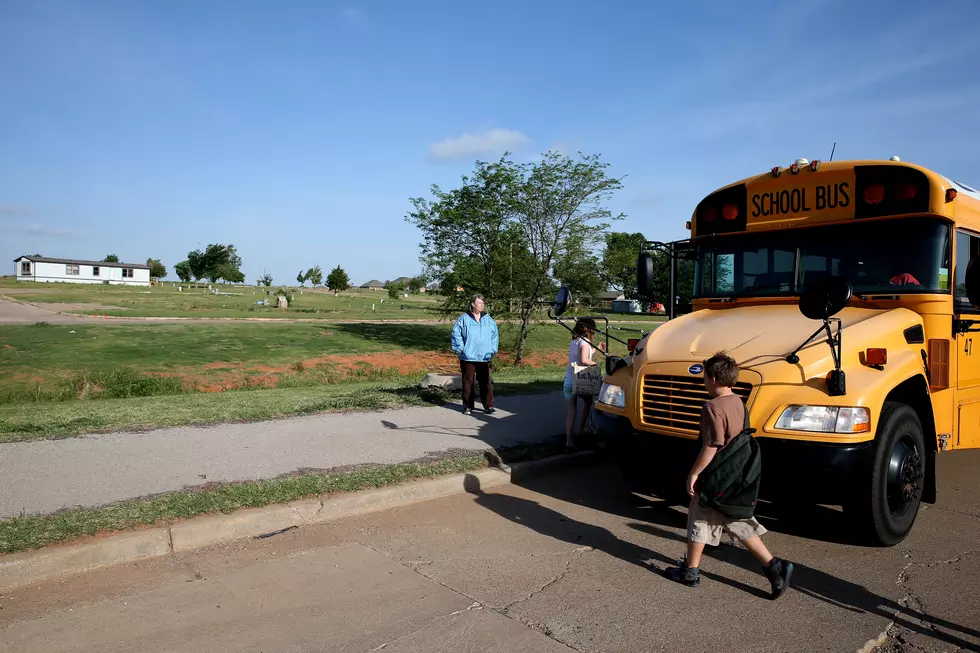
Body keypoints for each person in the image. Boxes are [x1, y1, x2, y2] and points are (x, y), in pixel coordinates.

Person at [664, 352, 794, 599]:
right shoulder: (738, 401)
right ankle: (773, 566)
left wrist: (694, 473)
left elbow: (712, 445)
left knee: (699, 516)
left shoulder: (712, 407)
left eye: (704, 377)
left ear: (712, 378)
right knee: (735, 519)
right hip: (736, 472)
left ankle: (690, 571)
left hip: (717, 475)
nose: (704, 381)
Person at [450, 294, 499, 415]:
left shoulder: (489, 320)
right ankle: (467, 406)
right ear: (473, 304)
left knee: (485, 382)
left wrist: (492, 349)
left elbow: (494, 336)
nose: (482, 305)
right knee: (468, 382)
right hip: (468, 356)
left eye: (483, 303)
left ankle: (489, 406)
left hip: (484, 356)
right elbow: (456, 334)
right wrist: (461, 348)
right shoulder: (463, 319)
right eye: (479, 303)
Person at [563, 317, 605, 452]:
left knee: (571, 412)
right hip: (581, 380)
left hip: (569, 380)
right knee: (588, 402)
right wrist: (596, 365)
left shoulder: (574, 341)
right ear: (590, 329)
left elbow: (584, 353)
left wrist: (596, 349)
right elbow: (584, 360)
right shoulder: (585, 341)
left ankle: (569, 441)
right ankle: (581, 429)